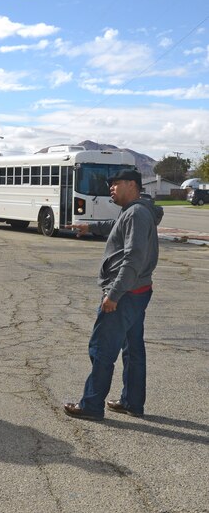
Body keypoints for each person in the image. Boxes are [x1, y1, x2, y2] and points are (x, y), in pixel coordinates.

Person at [64, 168, 163, 421]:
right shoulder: (135, 211)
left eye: (115, 183)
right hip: (137, 291)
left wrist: (114, 295)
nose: (111, 188)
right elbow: (116, 226)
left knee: (102, 350)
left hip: (126, 293)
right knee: (133, 350)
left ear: (132, 185)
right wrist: (90, 227)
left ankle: (91, 404)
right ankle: (132, 402)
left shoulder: (137, 214)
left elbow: (133, 258)